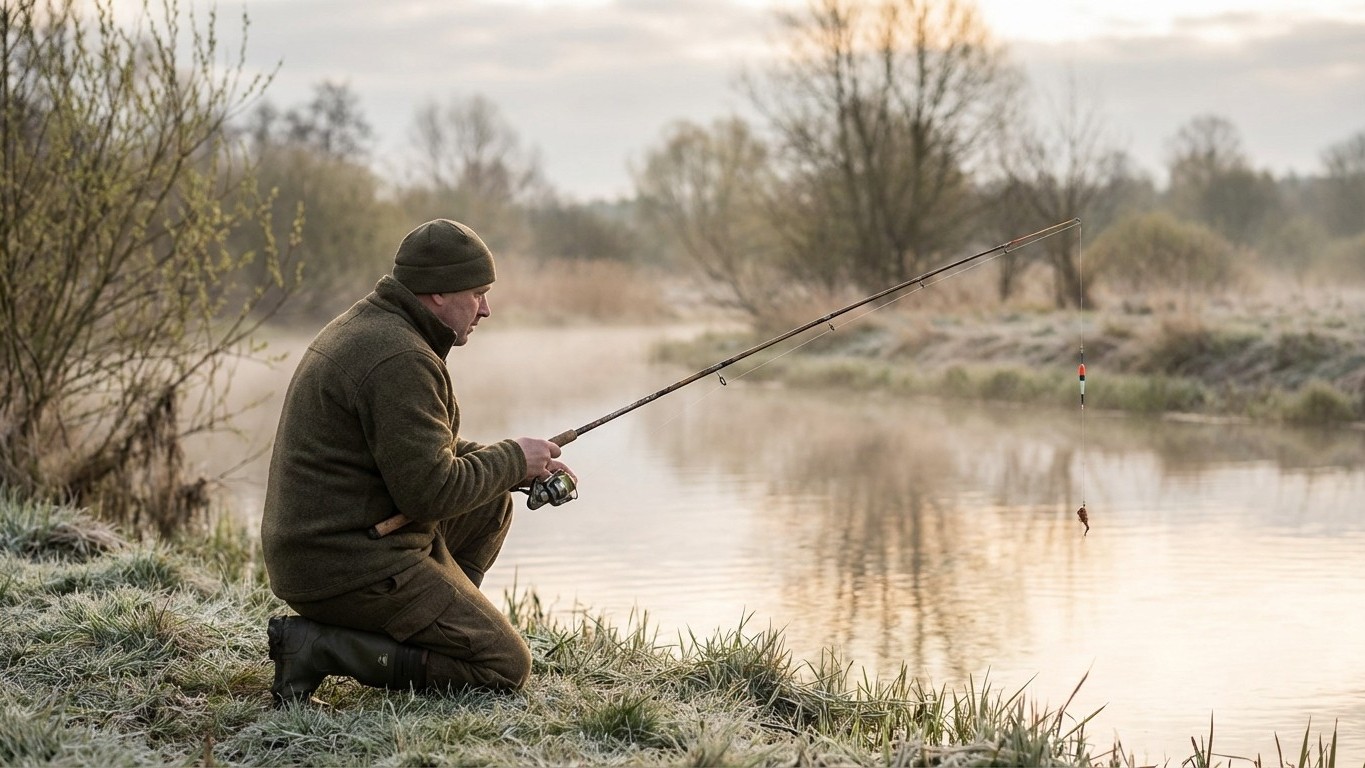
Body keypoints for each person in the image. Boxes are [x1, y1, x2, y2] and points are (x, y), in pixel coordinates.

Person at [260, 218, 573, 705]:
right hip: (341, 565)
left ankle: (434, 627)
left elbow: (424, 454)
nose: (486, 309)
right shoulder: (398, 358)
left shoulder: (379, 327)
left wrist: (518, 464)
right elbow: (428, 493)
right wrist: (512, 459)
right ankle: (318, 649)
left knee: (490, 505)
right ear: (437, 294)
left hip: (338, 544)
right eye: (478, 293)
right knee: (503, 666)